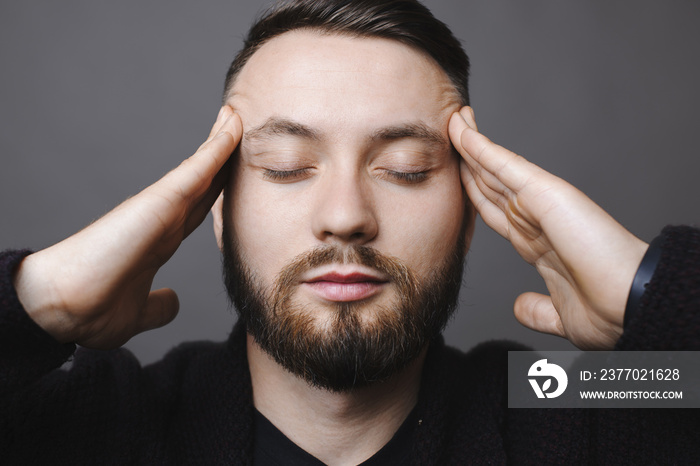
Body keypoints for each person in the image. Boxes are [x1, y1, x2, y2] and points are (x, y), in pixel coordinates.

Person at [1, 0, 698, 464]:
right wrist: (37, 305)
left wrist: (654, 294)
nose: (345, 214)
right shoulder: (105, 418)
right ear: (215, 211)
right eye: (285, 167)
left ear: (469, 216)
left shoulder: (552, 396)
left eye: (405, 168)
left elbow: (678, 385)